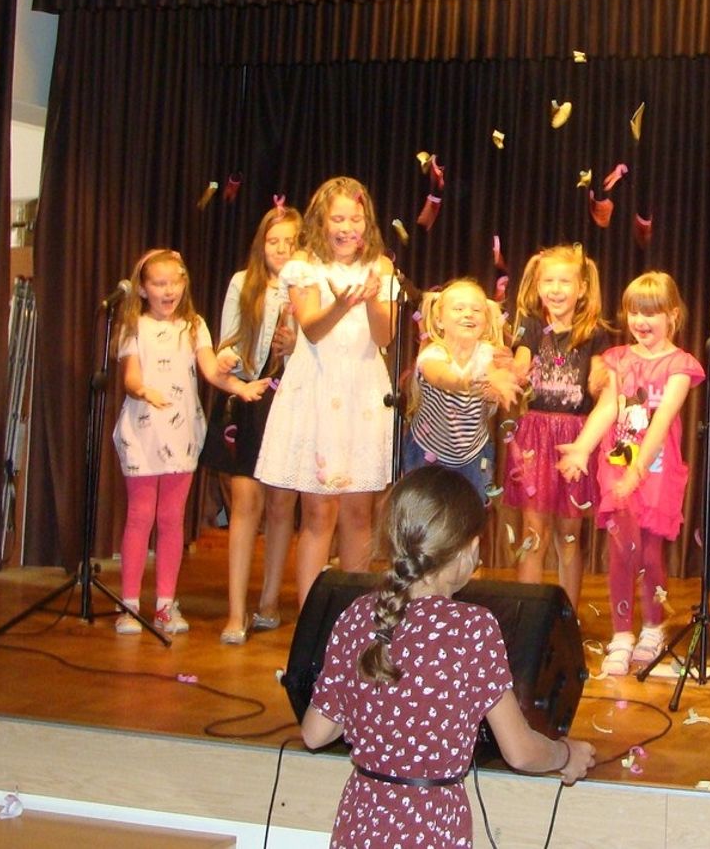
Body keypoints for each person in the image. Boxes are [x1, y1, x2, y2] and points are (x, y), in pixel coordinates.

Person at [302, 465, 596, 849]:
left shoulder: (357, 614)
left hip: (360, 824)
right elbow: (521, 752)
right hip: (430, 828)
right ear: (468, 549)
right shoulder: (471, 628)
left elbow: (315, 733)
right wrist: (565, 754)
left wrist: (377, 711)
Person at [255, 177, 399, 612]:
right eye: (338, 219)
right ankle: (312, 619)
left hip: (362, 395)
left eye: (356, 219)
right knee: (319, 513)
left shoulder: (381, 267)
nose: (347, 228)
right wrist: (341, 303)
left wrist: (371, 299)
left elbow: (384, 336)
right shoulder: (304, 266)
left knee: (359, 513)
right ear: (321, 221)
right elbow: (312, 330)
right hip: (318, 392)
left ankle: (352, 619)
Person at [111, 248, 269, 635]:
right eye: (159, 284)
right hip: (143, 434)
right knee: (140, 516)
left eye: (174, 282)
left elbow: (211, 370)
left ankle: (165, 604)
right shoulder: (133, 326)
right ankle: (129, 605)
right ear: (142, 289)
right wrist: (143, 390)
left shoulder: (195, 326)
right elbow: (130, 377)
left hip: (181, 434)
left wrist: (240, 387)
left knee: (171, 518)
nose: (168, 291)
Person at [558, 272, 705, 676]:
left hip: (655, 468)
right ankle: (622, 633)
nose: (640, 321)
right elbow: (608, 407)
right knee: (622, 550)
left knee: (650, 553)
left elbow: (663, 420)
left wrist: (640, 469)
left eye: (651, 312)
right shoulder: (619, 359)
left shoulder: (680, 365)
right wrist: (583, 447)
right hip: (617, 465)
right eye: (634, 312)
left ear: (672, 315)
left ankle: (653, 627)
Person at [207, 204, 302, 643]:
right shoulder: (242, 283)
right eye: (273, 241)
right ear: (261, 245)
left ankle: (268, 601)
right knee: (245, 503)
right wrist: (228, 358)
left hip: (291, 398)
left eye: (290, 242)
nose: (281, 249)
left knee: (282, 504)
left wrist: (294, 342)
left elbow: (319, 349)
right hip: (249, 396)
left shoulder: (310, 287)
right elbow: (227, 343)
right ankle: (235, 611)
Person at [504, 245, 613, 609]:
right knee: (533, 532)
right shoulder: (532, 326)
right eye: (548, 281)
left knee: (569, 535)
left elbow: (598, 380)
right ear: (537, 286)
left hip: (575, 437)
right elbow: (521, 362)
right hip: (535, 435)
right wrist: (511, 370)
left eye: (564, 281)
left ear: (581, 288)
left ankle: (568, 617)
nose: (555, 289)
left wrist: (604, 379)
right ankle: (526, 613)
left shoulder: (594, 332)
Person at [404, 279, 520, 501]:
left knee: (470, 512)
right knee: (427, 510)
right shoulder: (433, 354)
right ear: (439, 320)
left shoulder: (487, 353)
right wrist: (471, 381)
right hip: (428, 451)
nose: (468, 314)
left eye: (476, 310)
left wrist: (502, 382)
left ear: (486, 320)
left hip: (473, 454)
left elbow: (495, 374)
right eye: (458, 309)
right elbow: (442, 377)